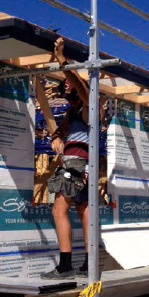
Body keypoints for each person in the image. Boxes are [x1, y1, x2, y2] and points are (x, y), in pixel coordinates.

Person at [41, 37, 92, 279]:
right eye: (67, 95)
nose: (69, 98)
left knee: (59, 211)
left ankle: (65, 266)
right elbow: (60, 129)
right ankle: (88, 265)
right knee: (83, 211)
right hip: (83, 166)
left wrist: (62, 60)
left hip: (76, 165)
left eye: (71, 94)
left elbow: (80, 87)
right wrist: (57, 136)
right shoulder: (74, 112)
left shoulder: (90, 105)